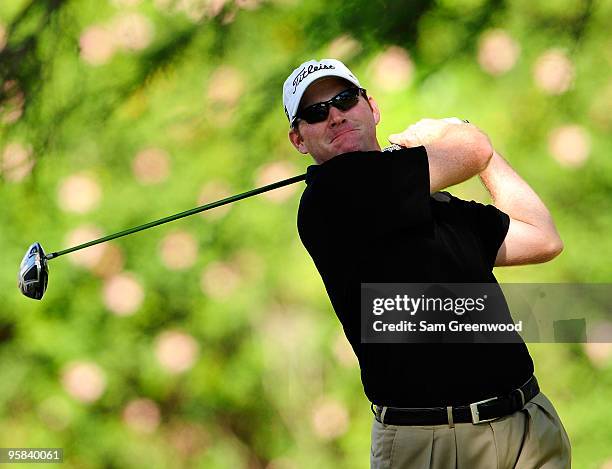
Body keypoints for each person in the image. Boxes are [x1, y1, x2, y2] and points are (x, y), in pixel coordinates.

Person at [284, 58, 572, 468]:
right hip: (434, 443)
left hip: (527, 425)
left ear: (372, 106)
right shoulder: (330, 196)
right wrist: (457, 135)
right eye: (316, 112)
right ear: (299, 140)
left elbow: (542, 237)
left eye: (345, 99)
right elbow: (471, 149)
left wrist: (485, 159)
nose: (335, 115)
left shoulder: (429, 200)